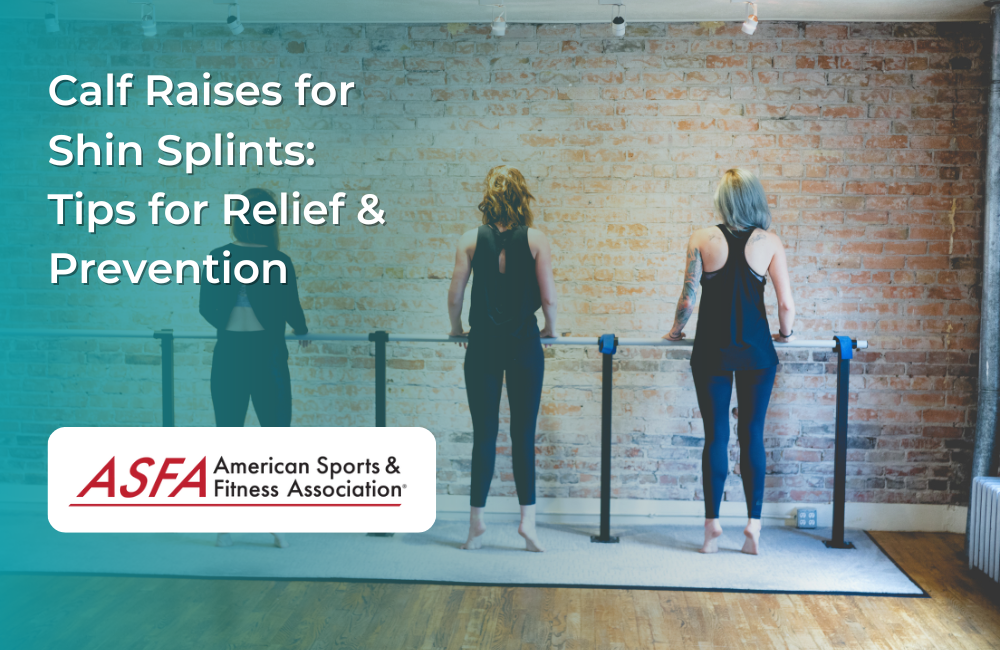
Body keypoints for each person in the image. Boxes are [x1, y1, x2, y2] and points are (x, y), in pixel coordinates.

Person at [663, 169, 796, 555]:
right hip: (757, 353)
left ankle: (712, 527)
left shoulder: (702, 239)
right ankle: (754, 526)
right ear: (755, 198)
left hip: (711, 351)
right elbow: (786, 305)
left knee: (716, 436)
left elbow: (688, 301)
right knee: (752, 433)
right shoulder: (769, 241)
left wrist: (675, 331)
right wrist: (785, 335)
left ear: (723, 200)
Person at [446, 165, 557, 552]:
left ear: (489, 198)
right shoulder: (537, 239)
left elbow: (456, 294)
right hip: (525, 343)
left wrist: (457, 328)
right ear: (522, 196)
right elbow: (548, 298)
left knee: (485, 434)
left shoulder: (469, 240)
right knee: (523, 434)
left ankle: (476, 523)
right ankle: (528, 523)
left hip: (483, 345)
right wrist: (551, 329)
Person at [199, 187, 310, 549]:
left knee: (228, 439)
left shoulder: (217, 258)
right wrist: (302, 329)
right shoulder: (280, 260)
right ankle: (273, 520)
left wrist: (227, 316)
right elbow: (291, 305)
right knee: (274, 441)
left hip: (229, 354)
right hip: (268, 357)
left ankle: (224, 525)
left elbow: (205, 306)